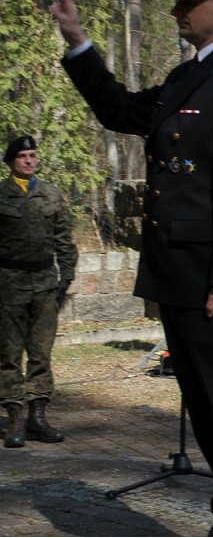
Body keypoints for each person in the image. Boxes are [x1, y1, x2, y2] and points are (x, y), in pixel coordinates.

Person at [50, 0, 213, 536]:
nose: (178, 11)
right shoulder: (188, 76)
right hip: (179, 277)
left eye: (188, 1)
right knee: (207, 414)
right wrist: (78, 42)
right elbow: (118, 109)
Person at [0, 136, 77, 449]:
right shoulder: (1, 195)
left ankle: (38, 416)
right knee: (8, 354)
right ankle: (15, 419)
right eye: (22, 156)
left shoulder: (50, 193)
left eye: (32, 155)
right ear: (11, 161)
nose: (29, 161)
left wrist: (66, 276)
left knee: (41, 353)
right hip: (9, 283)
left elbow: (64, 239)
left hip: (45, 283)